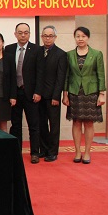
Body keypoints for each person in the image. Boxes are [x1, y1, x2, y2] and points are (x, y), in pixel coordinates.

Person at [63, 26, 105, 165]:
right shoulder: (69, 55)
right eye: (78, 36)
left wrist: (101, 94)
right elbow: (67, 76)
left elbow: (101, 75)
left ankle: (87, 152)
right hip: (74, 92)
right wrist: (65, 94)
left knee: (88, 123)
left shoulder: (97, 54)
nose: (80, 39)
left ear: (88, 37)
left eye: (83, 36)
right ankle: (77, 151)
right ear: (74, 38)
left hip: (91, 93)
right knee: (76, 122)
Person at [6, 22, 42, 164]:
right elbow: (8, 74)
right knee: (15, 125)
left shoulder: (37, 49)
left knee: (33, 124)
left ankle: (35, 153)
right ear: (15, 34)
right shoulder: (9, 49)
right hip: (15, 93)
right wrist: (11, 94)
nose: (23, 35)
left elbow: (40, 72)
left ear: (29, 34)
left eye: (26, 32)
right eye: (20, 32)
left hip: (31, 93)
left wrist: (38, 91)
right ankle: (17, 152)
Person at [37, 25, 67, 162]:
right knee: (41, 123)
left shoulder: (61, 54)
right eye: (45, 36)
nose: (47, 38)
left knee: (54, 125)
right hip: (39, 95)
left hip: (52, 96)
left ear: (55, 37)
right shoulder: (38, 52)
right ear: (41, 37)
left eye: (50, 36)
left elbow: (61, 78)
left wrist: (56, 96)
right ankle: (43, 149)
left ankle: (53, 151)